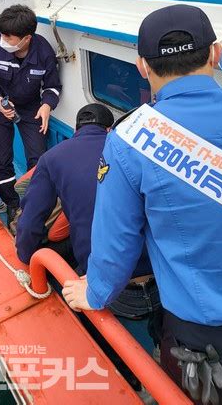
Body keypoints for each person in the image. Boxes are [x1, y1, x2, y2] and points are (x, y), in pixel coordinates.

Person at [63, 4, 222, 404]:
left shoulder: (129, 140)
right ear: (214, 54)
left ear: (141, 66)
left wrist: (95, 293)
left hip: (203, 334)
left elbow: (117, 241)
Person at [16, 103, 158, 321]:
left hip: (105, 287)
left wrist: (27, 258)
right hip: (160, 281)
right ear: (110, 129)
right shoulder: (136, 151)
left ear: (75, 131)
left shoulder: (52, 158)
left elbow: (29, 222)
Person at [0, 4, 62, 224]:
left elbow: (52, 86)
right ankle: (12, 205)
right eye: (1, 34)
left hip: (31, 106)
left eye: (8, 36)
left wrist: (47, 105)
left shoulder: (44, 52)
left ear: (26, 38)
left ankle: (36, 205)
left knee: (37, 158)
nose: (2, 39)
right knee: (1, 159)